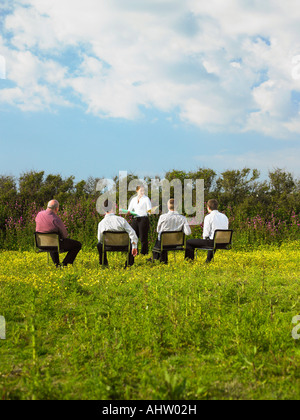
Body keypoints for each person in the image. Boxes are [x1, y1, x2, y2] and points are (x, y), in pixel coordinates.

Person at [35, 199, 82, 267]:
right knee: (77, 245)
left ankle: (57, 264)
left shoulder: (39, 214)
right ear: (56, 209)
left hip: (41, 243)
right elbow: (64, 235)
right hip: (54, 243)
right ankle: (65, 264)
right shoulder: (55, 218)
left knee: (52, 241)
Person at [185, 199, 229, 263]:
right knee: (212, 239)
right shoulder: (224, 216)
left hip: (213, 242)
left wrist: (204, 239)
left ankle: (189, 262)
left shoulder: (208, 217)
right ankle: (208, 261)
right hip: (224, 242)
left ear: (208, 207)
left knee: (189, 242)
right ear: (217, 207)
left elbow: (205, 235)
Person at [98, 199, 138, 267]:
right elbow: (133, 233)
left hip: (108, 247)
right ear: (113, 207)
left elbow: (100, 239)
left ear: (103, 210)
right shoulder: (121, 220)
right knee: (132, 243)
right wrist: (134, 247)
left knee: (99, 245)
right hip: (123, 246)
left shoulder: (101, 223)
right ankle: (128, 265)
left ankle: (104, 263)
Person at [151, 199, 191, 264]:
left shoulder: (162, 217)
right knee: (160, 241)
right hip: (176, 243)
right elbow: (188, 233)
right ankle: (156, 259)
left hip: (163, 243)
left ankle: (156, 259)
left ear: (168, 206)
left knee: (160, 240)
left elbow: (158, 230)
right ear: (177, 206)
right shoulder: (183, 218)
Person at [127, 186, 152, 255]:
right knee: (134, 236)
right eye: (141, 190)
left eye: (143, 191)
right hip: (135, 219)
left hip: (143, 219)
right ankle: (135, 252)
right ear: (137, 191)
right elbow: (130, 209)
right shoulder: (133, 199)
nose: (142, 192)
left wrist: (150, 212)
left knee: (143, 237)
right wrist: (128, 212)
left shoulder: (146, 199)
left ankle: (144, 253)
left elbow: (149, 209)